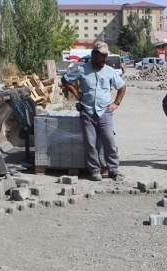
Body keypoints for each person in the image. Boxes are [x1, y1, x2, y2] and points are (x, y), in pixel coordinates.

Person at [62, 42, 127, 181]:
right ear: (94, 55)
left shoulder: (109, 71)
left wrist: (116, 102)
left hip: (105, 111)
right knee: (90, 143)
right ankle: (95, 170)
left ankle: (113, 169)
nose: (104, 59)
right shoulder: (82, 69)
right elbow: (65, 80)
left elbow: (122, 86)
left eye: (106, 56)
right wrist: (76, 93)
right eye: (102, 56)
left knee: (109, 141)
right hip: (87, 112)